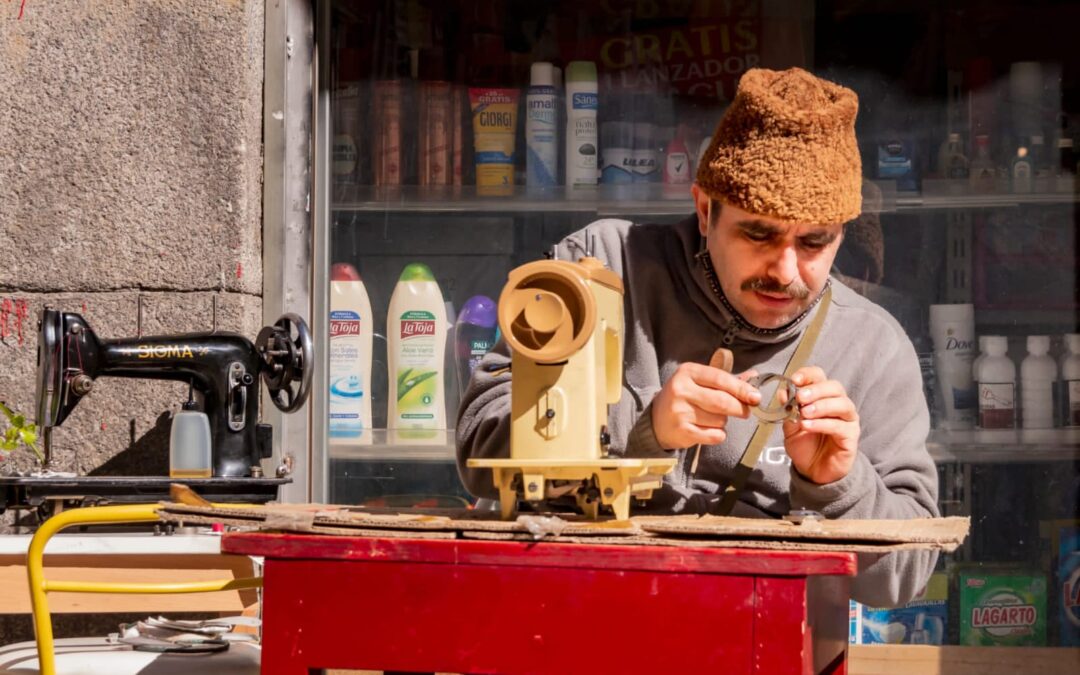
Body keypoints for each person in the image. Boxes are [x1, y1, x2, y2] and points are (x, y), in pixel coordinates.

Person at [456, 67, 938, 607]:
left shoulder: (873, 347)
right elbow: (480, 444)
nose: (785, 270)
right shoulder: (603, 267)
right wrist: (642, 429)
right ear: (706, 210)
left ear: (841, 235)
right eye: (759, 233)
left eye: (813, 243)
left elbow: (906, 576)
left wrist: (839, 485)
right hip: (578, 613)